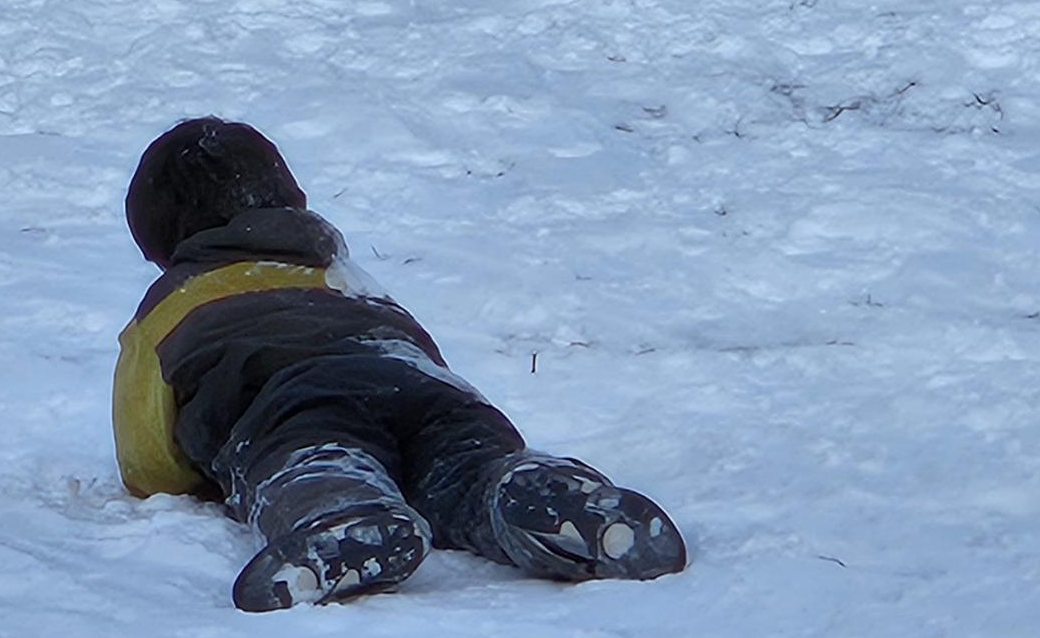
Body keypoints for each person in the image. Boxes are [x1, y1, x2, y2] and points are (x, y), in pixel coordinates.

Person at [114, 117, 686, 612]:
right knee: (466, 465)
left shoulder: (167, 313)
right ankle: (529, 489)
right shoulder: (344, 279)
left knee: (315, 458)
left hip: (288, 406)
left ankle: (343, 509)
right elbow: (417, 347)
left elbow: (149, 462)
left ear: (161, 247)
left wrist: (186, 473)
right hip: (423, 388)